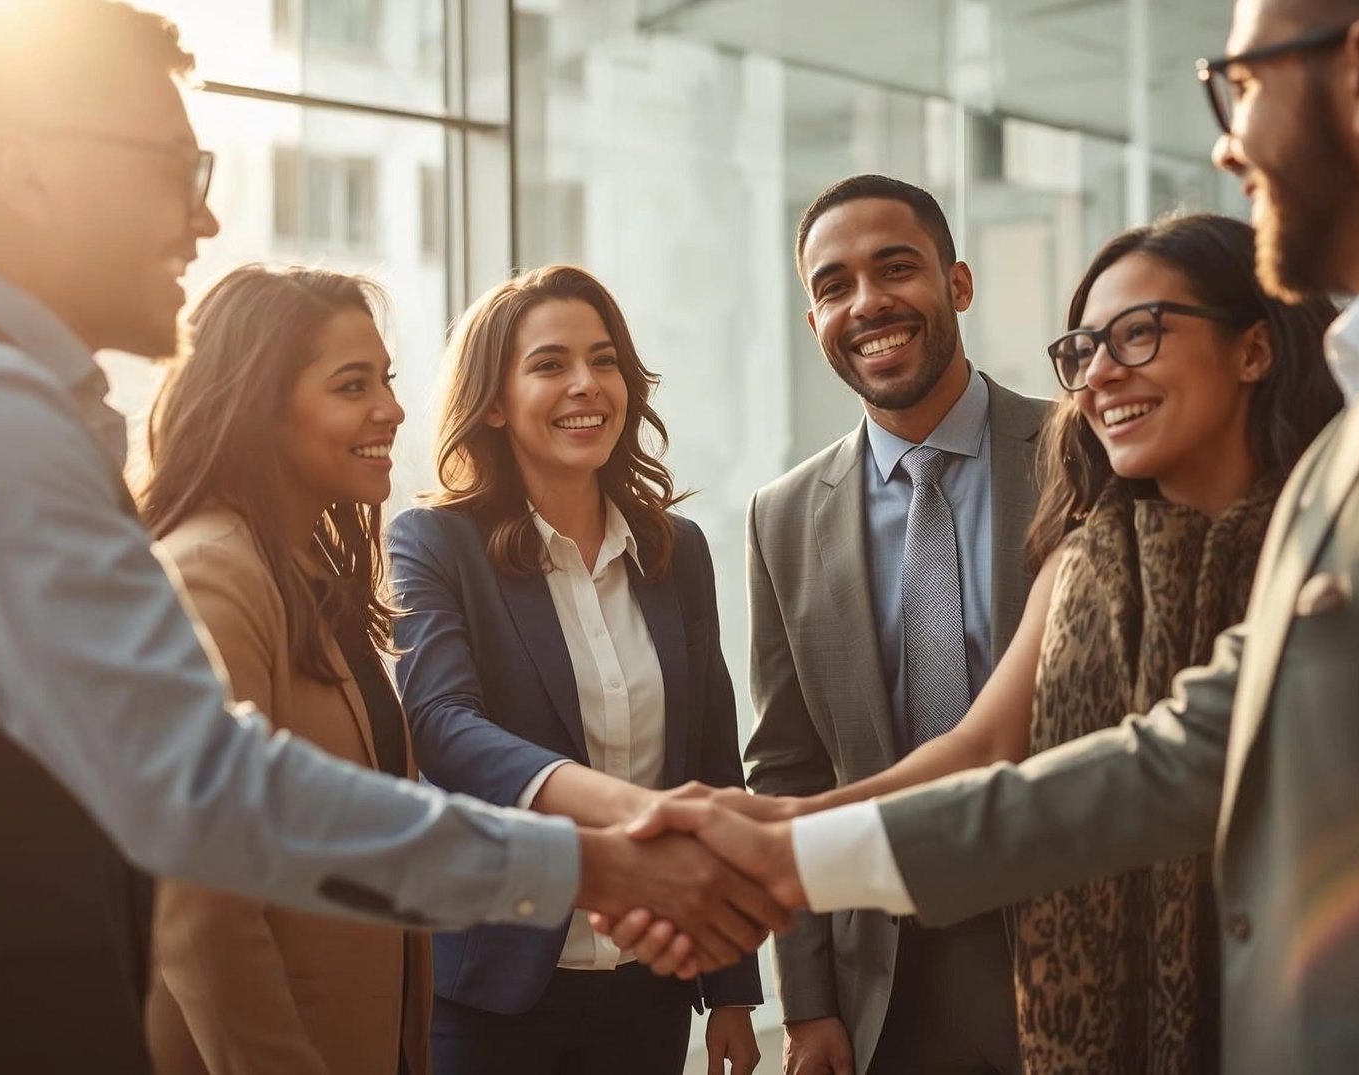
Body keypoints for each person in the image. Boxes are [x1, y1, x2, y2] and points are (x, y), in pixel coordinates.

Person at [613, 0, 1359, 1070]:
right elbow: (1178, 759)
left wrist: (776, 853)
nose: (1224, 138)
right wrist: (783, 852)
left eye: (1238, 84)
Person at [0, 3, 780, 1071]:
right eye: (175, 168)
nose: (203, 217)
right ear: (25, 170)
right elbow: (205, 793)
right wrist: (592, 865)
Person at [717, 213, 1339, 1073]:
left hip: (1287, 973)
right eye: (1086, 348)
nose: (1103, 374)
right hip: (1055, 977)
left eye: (1140, 334)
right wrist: (772, 839)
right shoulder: (1089, 541)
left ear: (1254, 350)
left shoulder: (1327, 543)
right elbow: (977, 744)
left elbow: (1145, 769)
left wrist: (777, 850)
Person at [386, 264, 762, 1075]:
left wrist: (732, 981)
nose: (586, 385)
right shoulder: (431, 543)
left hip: (649, 990)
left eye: (604, 359)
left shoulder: (676, 550)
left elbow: (710, 758)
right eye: (550, 364)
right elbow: (443, 727)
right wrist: (630, 810)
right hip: (487, 992)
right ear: (493, 399)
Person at [737, 174, 1045, 1075]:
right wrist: (807, 1004)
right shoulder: (782, 515)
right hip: (884, 983)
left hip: (1070, 933)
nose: (867, 303)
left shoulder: (1082, 457)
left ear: (958, 283)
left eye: (895, 268)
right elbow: (786, 764)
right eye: (833, 286)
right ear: (813, 322)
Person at [136, 265, 430, 1074]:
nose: (392, 408)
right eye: (352, 384)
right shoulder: (210, 573)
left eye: (387, 379)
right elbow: (201, 906)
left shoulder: (308, 571)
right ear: (258, 404)